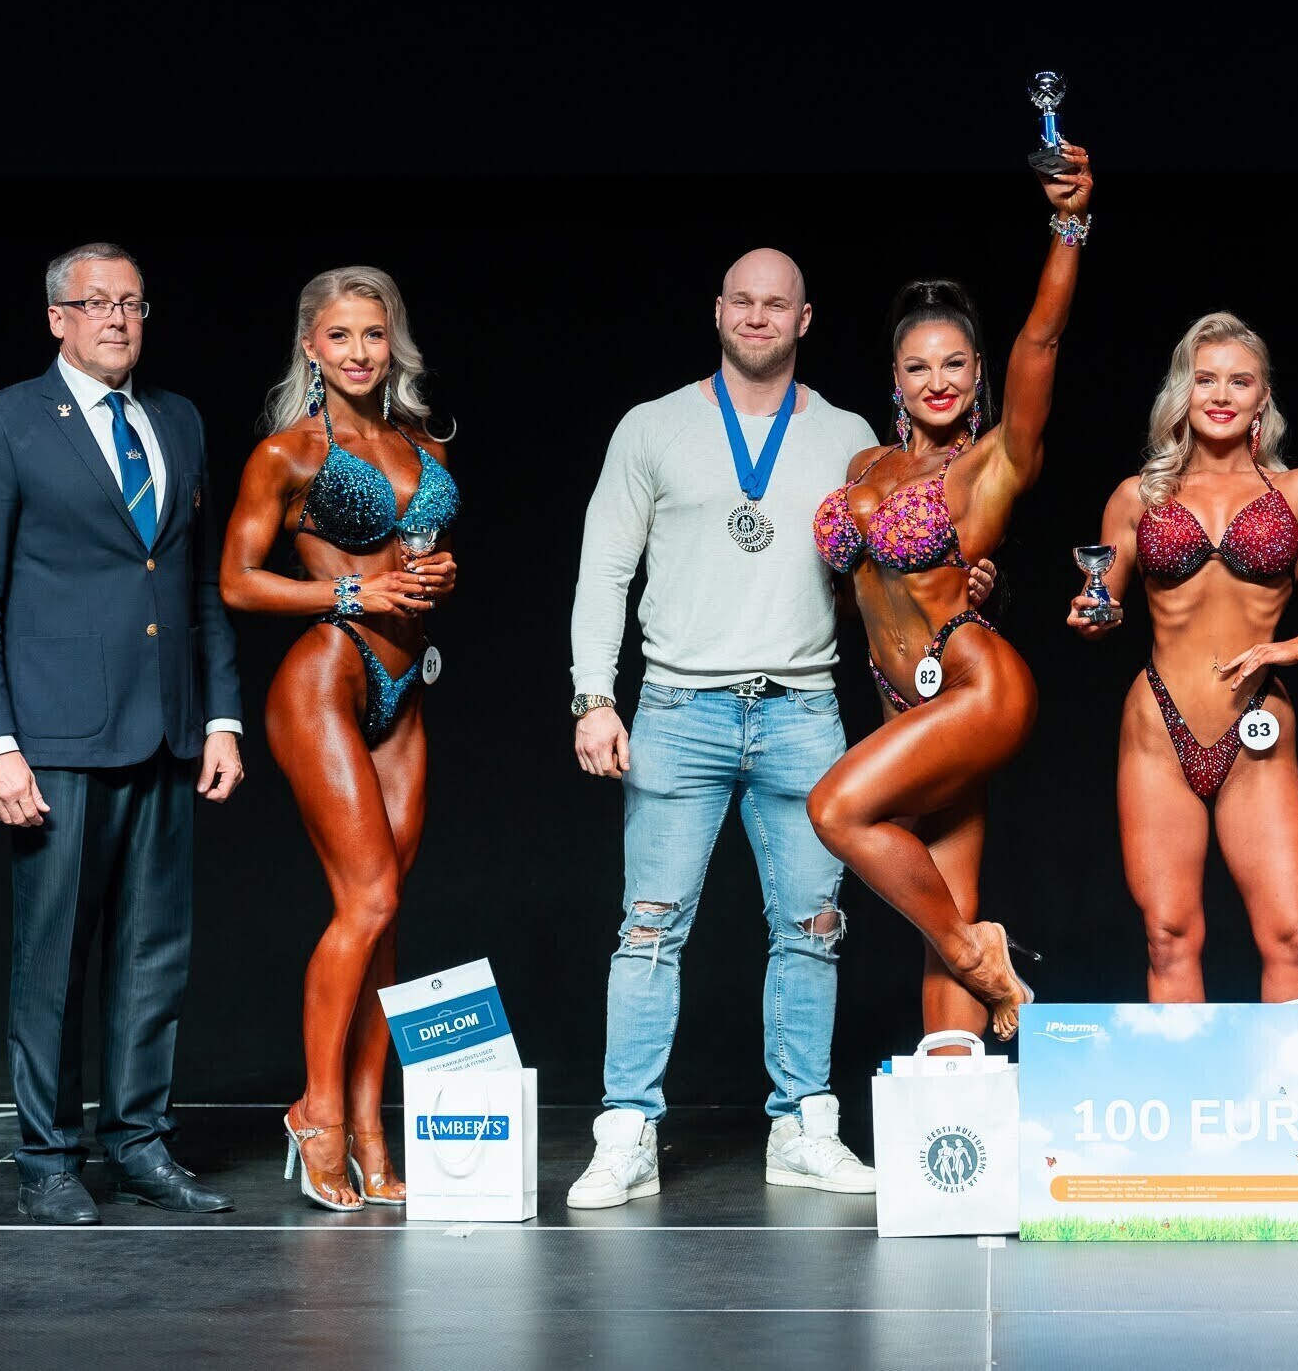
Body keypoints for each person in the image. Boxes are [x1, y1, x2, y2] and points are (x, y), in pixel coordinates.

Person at [565, 249, 994, 1210]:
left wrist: (960, 584)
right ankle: (625, 1131)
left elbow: (885, 580)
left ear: (804, 320)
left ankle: (802, 1126)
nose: (757, 317)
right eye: (742, 302)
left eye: (777, 305)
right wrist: (594, 697)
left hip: (801, 708)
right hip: (678, 707)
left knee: (813, 930)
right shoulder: (652, 427)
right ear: (718, 311)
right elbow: (604, 571)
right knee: (647, 929)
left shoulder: (848, 439)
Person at [0, 242, 244, 1225]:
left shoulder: (178, 420)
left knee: (155, 956)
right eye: (96, 302)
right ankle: (48, 1160)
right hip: (56, 741)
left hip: (168, 730)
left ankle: (141, 1145)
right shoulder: (3, 422)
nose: (117, 318)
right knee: (54, 961)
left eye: (132, 303)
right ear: (57, 319)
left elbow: (196, 584)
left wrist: (222, 716)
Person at [805, 143, 1094, 1046]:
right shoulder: (864, 463)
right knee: (938, 902)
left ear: (976, 375)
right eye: (918, 367)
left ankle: (980, 955)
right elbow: (860, 596)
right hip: (904, 702)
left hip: (974, 685)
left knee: (835, 810)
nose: (937, 382)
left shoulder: (992, 465)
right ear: (894, 378)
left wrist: (1068, 226)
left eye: (955, 364)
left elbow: (1040, 341)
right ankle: (953, 1082)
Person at [220, 267, 460, 1211]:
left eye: (373, 334)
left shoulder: (420, 443)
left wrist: (439, 576)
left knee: (386, 914)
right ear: (310, 348)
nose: (359, 352)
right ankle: (316, 1111)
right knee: (367, 899)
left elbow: (416, 556)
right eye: (340, 336)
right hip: (325, 674)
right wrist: (356, 590)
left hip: (404, 689)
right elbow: (238, 581)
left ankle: (369, 1129)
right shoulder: (286, 452)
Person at [1067, 312, 1298, 1002]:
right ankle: (1180, 1077)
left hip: (1257, 728)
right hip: (1158, 726)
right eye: (1204, 379)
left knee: (1291, 936)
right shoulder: (1137, 496)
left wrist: (1290, 647)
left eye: (1239, 381)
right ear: (1181, 392)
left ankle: (1293, 1079)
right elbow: (1101, 606)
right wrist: (1093, 616)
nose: (1220, 395)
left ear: (1262, 397)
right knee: (1167, 938)